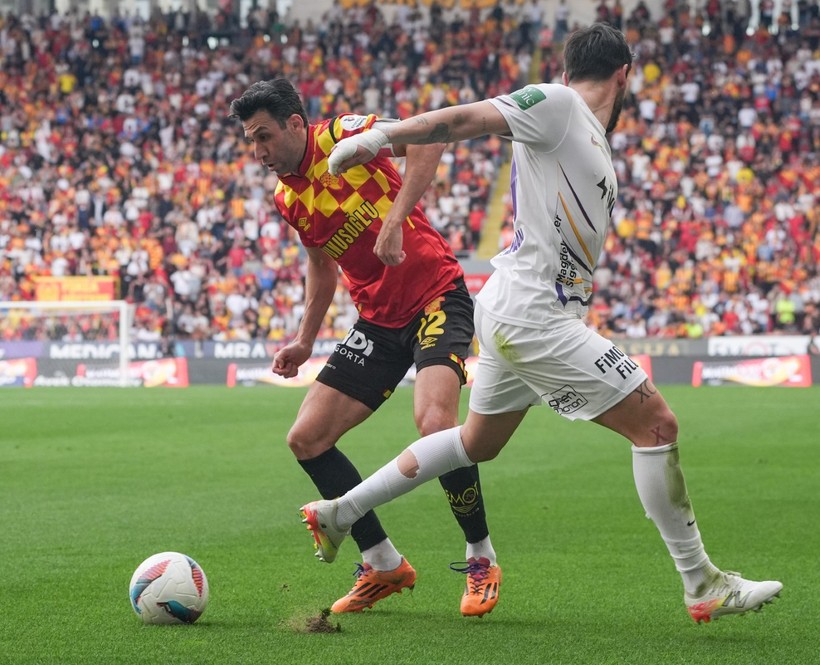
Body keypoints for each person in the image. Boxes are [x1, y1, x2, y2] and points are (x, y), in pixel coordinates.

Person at [300, 24, 783, 623]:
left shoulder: (588, 133)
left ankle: (341, 511)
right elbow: (466, 119)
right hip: (534, 316)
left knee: (474, 444)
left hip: (522, 311)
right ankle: (702, 583)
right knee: (657, 426)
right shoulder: (558, 105)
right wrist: (381, 139)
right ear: (624, 75)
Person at [228, 78, 502, 616]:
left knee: (435, 425)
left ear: (295, 125)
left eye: (264, 137)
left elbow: (430, 138)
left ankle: (480, 555)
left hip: (435, 296)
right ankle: (381, 562)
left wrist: (395, 219)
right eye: (249, 142)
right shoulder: (287, 195)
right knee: (306, 438)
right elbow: (319, 264)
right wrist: (305, 339)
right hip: (376, 322)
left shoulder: (345, 137)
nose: (258, 152)